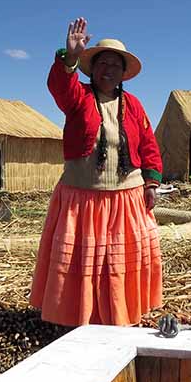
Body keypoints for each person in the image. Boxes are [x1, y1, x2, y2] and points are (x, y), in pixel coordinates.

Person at [30, 17, 163, 327]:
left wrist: (152, 183)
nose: (108, 70)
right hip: (83, 200)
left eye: (115, 65)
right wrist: (71, 57)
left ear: (123, 73)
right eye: (102, 63)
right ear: (94, 69)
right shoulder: (79, 99)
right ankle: (77, 315)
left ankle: (121, 312)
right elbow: (60, 87)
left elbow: (148, 145)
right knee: (82, 261)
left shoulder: (133, 106)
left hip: (125, 199)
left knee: (118, 261)